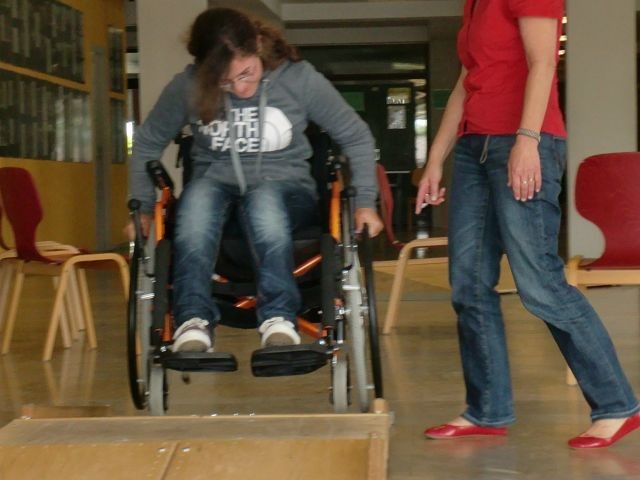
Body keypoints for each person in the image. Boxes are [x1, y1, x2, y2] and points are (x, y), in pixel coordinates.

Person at [416, 0, 639, 448]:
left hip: (522, 142)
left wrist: (527, 140)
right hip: (474, 148)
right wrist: (435, 159)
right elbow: (466, 80)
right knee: (468, 284)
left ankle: (618, 406)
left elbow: (543, 64)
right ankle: (486, 410)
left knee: (540, 284)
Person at [129, 7, 383, 353]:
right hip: (216, 191)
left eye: (246, 73)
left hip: (287, 191)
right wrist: (144, 209)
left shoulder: (298, 79)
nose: (240, 88)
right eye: (225, 82)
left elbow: (356, 136)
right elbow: (146, 142)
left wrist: (365, 203)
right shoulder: (188, 85)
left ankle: (278, 316)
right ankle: (193, 319)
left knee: (263, 197)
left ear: (258, 45)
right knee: (196, 201)